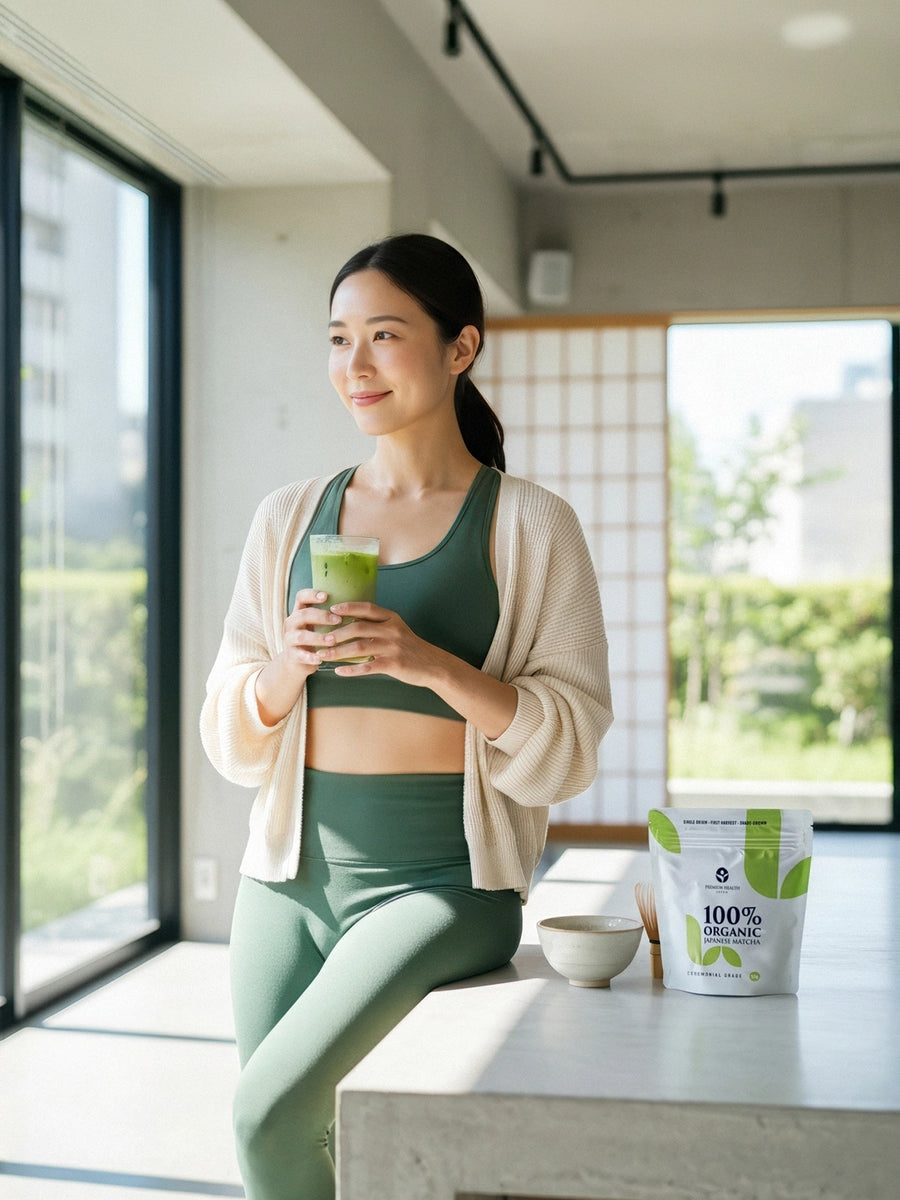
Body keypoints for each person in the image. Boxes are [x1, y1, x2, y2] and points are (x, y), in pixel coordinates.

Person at [200, 232, 613, 1200]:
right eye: (339, 338)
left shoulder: (530, 524)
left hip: (442, 882)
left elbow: (573, 735)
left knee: (266, 1115)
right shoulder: (290, 517)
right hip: (288, 878)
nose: (356, 365)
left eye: (385, 335)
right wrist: (288, 669)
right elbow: (230, 718)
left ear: (460, 347)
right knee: (301, 1145)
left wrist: (430, 663)